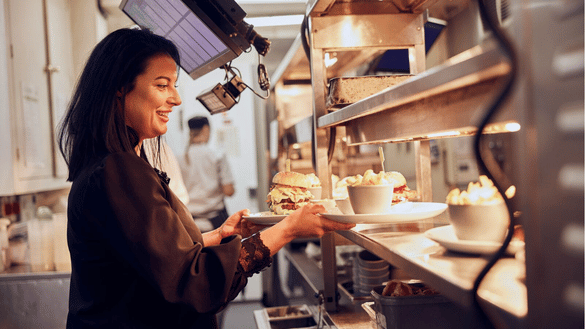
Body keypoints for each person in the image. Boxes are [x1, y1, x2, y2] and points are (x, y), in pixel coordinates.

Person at [57, 27, 355, 329]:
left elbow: (149, 258)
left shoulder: (111, 164)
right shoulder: (118, 170)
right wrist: (289, 228)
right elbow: (195, 283)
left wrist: (216, 237)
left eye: (174, 85)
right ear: (120, 87)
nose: (176, 99)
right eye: (162, 86)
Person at [180, 116, 234, 230]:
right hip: (216, 221)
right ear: (206, 129)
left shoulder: (179, 157)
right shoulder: (216, 155)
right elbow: (229, 191)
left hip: (189, 222)